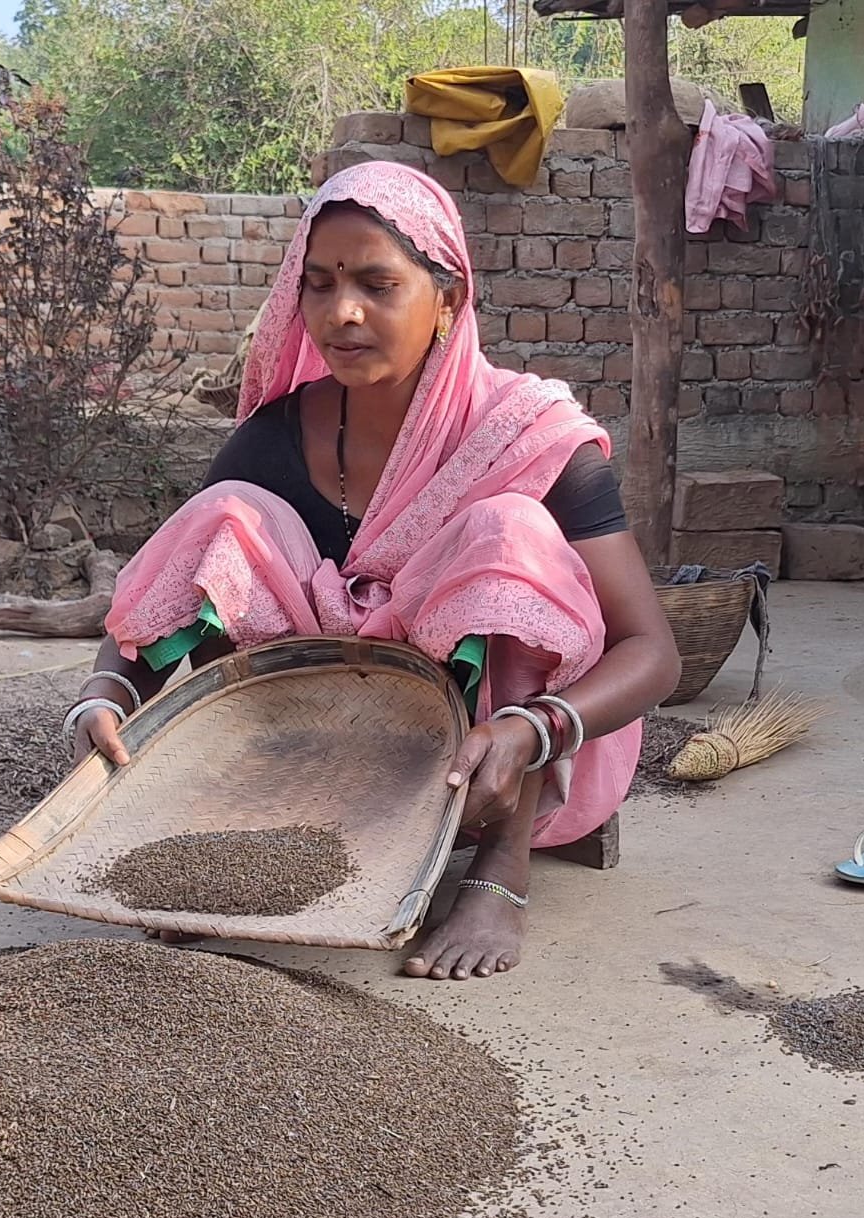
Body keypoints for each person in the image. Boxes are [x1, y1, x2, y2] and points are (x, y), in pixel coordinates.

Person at [65, 161, 681, 982]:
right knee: (226, 516)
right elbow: (174, 574)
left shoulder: (530, 436)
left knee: (509, 532)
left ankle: (499, 871)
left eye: (376, 284)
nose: (340, 313)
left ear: (449, 299)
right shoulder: (276, 437)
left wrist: (535, 728)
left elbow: (653, 653)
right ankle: (249, 833)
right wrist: (107, 691)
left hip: (484, 755)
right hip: (324, 744)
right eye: (318, 285)